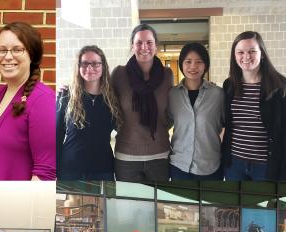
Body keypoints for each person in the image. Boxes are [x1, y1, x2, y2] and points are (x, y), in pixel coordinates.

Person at [0, 22, 55, 180]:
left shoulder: (43, 101)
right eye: (2, 50)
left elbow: (45, 173)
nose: (8, 56)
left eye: (17, 49)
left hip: (15, 203)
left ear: (32, 55)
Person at [111, 24, 174, 181]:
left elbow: (173, 109)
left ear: (156, 46)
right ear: (132, 46)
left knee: (159, 204)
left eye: (149, 42)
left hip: (160, 155)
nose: (144, 47)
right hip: (126, 158)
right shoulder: (119, 74)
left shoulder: (167, 75)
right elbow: (107, 104)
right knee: (128, 204)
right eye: (139, 42)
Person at [222, 31, 286, 180]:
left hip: (265, 166)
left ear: (262, 54)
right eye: (240, 52)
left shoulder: (280, 86)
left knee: (260, 203)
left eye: (252, 51)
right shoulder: (230, 85)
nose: (246, 57)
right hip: (234, 163)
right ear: (234, 56)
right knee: (235, 203)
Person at [56, 45, 120, 180]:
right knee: (73, 202)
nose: (89, 68)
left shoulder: (112, 98)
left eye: (95, 64)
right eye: (84, 64)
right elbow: (56, 135)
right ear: (78, 67)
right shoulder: (66, 96)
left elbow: (121, 128)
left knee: (102, 202)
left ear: (103, 66)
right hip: (71, 169)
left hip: (103, 169)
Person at [168, 43, 224, 180]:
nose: (193, 66)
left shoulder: (218, 94)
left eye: (199, 62)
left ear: (205, 65)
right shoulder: (172, 94)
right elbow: (166, 123)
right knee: (181, 202)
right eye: (188, 62)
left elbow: (228, 124)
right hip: (179, 165)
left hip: (210, 166)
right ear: (181, 65)